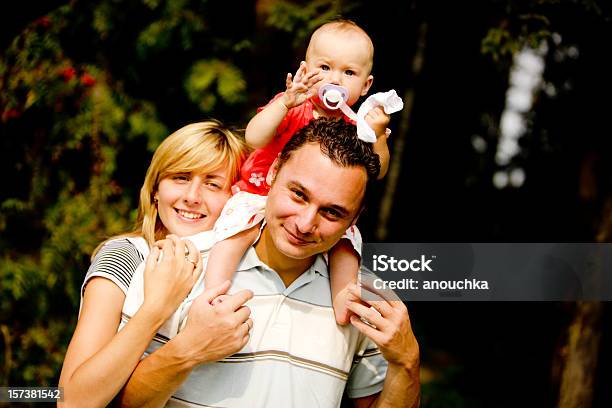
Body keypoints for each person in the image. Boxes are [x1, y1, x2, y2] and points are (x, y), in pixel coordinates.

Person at [118, 117, 420, 408]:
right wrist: (187, 351)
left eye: (331, 212)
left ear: (354, 218)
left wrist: (407, 361)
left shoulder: (366, 301)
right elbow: (118, 402)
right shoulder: (176, 265)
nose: (304, 224)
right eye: (299, 195)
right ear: (273, 172)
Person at [204, 19, 393, 325]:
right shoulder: (293, 104)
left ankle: (345, 306)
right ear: (305, 70)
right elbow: (253, 138)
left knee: (346, 248)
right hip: (261, 193)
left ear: (366, 85)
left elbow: (378, 171)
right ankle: (214, 294)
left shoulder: (361, 126)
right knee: (237, 232)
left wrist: (378, 136)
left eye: (349, 72)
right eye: (325, 67)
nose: (336, 80)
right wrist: (284, 104)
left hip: (324, 212)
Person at [58, 121, 254, 407]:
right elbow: (71, 401)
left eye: (213, 184)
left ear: (235, 198)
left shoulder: (244, 266)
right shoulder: (126, 255)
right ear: (155, 190)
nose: (192, 197)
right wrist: (157, 307)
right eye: (181, 178)